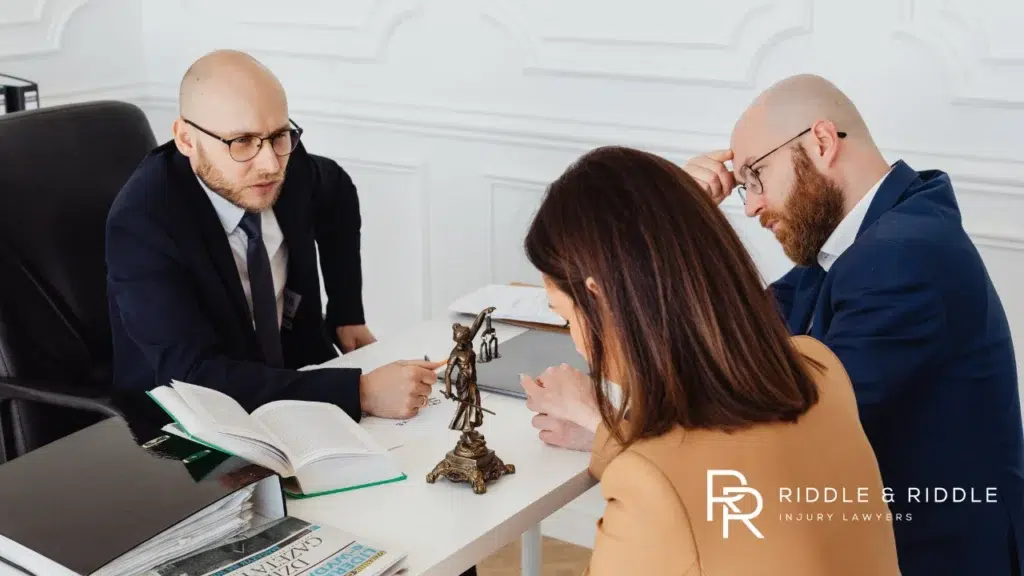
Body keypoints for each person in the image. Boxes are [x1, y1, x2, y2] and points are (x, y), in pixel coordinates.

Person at [533, 73, 1024, 575]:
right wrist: (673, 232)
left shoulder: (902, 259)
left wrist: (601, 422)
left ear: (822, 142)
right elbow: (739, 337)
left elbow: (768, 441)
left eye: (756, 176)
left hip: (932, 553)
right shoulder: (861, 242)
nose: (750, 205)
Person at [519, 146, 901, 575]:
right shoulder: (817, 367)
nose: (575, 342)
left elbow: (675, 486)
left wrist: (604, 425)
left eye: (565, 316)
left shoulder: (653, 488)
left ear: (598, 295)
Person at [105, 49, 440, 429]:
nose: (269, 165)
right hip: (191, 425)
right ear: (186, 139)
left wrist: (347, 312)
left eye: (279, 135)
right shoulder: (143, 223)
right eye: (242, 141)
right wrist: (360, 392)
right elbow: (193, 377)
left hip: (296, 380)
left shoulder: (286, 161)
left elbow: (338, 194)